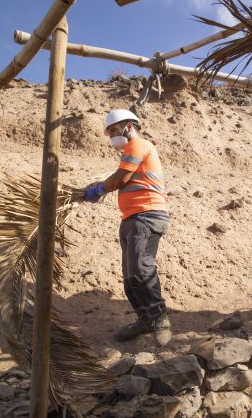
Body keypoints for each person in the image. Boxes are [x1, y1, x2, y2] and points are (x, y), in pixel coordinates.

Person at [84, 109, 172, 346]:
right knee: (130, 276)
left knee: (141, 269)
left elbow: (120, 178)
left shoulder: (138, 144)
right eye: (109, 132)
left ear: (129, 126)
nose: (112, 135)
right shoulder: (131, 150)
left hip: (147, 216)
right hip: (132, 218)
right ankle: (145, 319)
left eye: (114, 129)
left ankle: (159, 317)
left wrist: (99, 189)